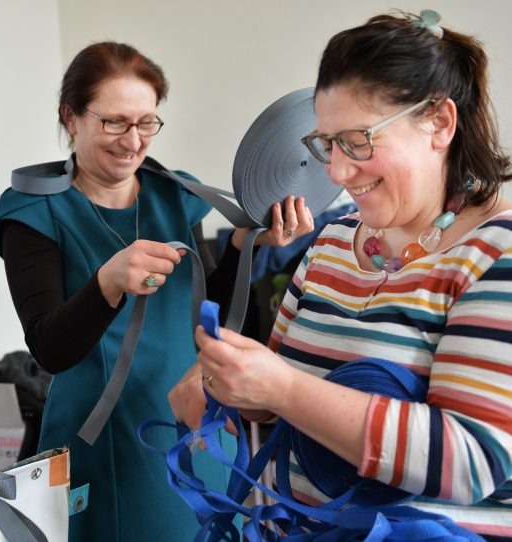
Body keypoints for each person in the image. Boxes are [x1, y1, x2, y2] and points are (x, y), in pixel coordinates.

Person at [169, 10, 512, 540]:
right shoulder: (331, 243)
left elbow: (472, 461)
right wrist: (231, 391)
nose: (335, 172)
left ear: (440, 124)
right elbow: (277, 407)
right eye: (327, 144)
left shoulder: (495, 252)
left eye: (358, 140)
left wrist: (282, 388)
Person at [0, 41, 313, 541]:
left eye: (146, 122)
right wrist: (108, 281)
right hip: (103, 440)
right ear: (71, 117)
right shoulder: (32, 213)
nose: (132, 140)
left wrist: (244, 246)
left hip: (192, 426)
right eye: (114, 122)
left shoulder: (173, 194)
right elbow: (50, 348)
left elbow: (206, 313)